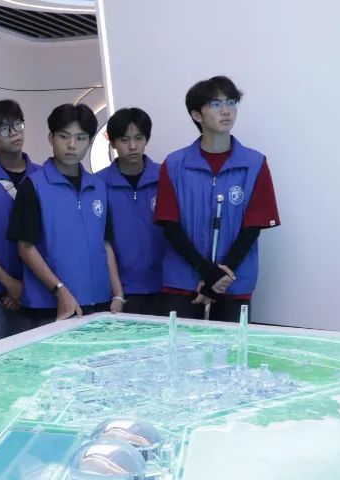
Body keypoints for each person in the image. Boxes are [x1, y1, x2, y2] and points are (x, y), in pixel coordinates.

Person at [154, 76, 280, 321]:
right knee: (182, 344)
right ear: (196, 115)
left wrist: (221, 276)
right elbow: (170, 226)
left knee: (232, 346)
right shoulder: (174, 164)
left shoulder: (254, 163)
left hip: (233, 281)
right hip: (184, 281)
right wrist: (207, 272)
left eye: (231, 102)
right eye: (215, 104)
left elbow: (253, 227)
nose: (226, 110)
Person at [9, 104, 122, 325]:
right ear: (51, 138)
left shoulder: (98, 186)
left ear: (90, 141)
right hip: (49, 306)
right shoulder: (33, 186)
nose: (72, 145)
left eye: (80, 138)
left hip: (99, 302)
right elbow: (25, 247)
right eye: (64, 136)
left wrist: (117, 293)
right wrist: (59, 290)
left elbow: (105, 243)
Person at [0, 100, 40, 344]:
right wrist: (9, 284)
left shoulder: (42, 177)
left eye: (17, 124)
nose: (14, 133)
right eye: (4, 128)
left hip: (37, 292)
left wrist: (25, 286)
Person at [97, 108, 165, 316]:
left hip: (166, 286)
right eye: (124, 140)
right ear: (112, 143)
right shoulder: (97, 185)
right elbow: (100, 242)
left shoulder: (166, 178)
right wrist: (117, 291)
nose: (133, 146)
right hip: (119, 291)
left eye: (139, 138)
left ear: (147, 139)